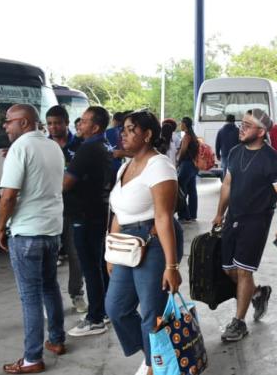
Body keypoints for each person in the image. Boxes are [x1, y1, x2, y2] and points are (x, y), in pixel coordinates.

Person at [104, 111, 185, 374]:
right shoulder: (125, 167)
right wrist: (111, 252)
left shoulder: (159, 166)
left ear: (148, 135)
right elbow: (119, 213)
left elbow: (163, 216)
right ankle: (156, 354)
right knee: (116, 308)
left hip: (153, 243)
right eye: (123, 129)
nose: (123, 134)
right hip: (126, 246)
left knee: (152, 312)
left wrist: (171, 266)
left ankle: (155, 365)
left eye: (130, 129)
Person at [212, 108, 277, 342]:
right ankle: (259, 293)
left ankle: (238, 323)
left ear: (261, 132)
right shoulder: (235, 151)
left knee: (243, 271)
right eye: (242, 123)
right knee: (229, 270)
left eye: (248, 125)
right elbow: (227, 184)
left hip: (256, 221)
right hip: (233, 219)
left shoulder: (272, 160)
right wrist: (220, 213)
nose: (242, 128)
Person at [0, 104, 66, 374]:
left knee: (30, 296)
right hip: (51, 230)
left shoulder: (20, 148)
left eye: (8, 121)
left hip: (26, 232)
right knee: (49, 287)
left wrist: (1, 227)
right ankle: (57, 340)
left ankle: (32, 358)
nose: (5, 126)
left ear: (24, 122)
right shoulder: (53, 147)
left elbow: (9, 196)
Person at [63, 106, 113, 337]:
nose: (79, 125)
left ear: (95, 126)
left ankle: (95, 319)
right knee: (98, 265)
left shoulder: (88, 149)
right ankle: (102, 311)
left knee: (90, 267)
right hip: (99, 212)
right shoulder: (104, 146)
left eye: (83, 122)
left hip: (84, 214)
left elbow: (66, 183)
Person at [45, 105, 86, 314]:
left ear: (66, 122)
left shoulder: (79, 145)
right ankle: (50, 299)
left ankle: (76, 294)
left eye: (57, 123)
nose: (53, 127)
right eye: (50, 123)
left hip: (74, 208)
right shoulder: (41, 145)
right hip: (48, 210)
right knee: (49, 255)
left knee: (76, 253)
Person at [176, 117, 199, 222]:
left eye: (181, 123)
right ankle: (192, 214)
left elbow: (183, 151)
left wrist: (178, 161)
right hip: (193, 165)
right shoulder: (193, 136)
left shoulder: (187, 136)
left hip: (186, 165)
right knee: (192, 190)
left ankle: (184, 215)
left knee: (181, 190)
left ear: (185, 124)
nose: (180, 125)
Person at [215, 114, 240, 178]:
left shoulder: (220, 131)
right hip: (236, 156)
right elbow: (242, 144)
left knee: (225, 172)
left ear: (226, 121)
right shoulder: (238, 131)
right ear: (234, 121)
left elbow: (217, 144)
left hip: (225, 156)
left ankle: (226, 186)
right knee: (236, 173)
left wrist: (218, 155)